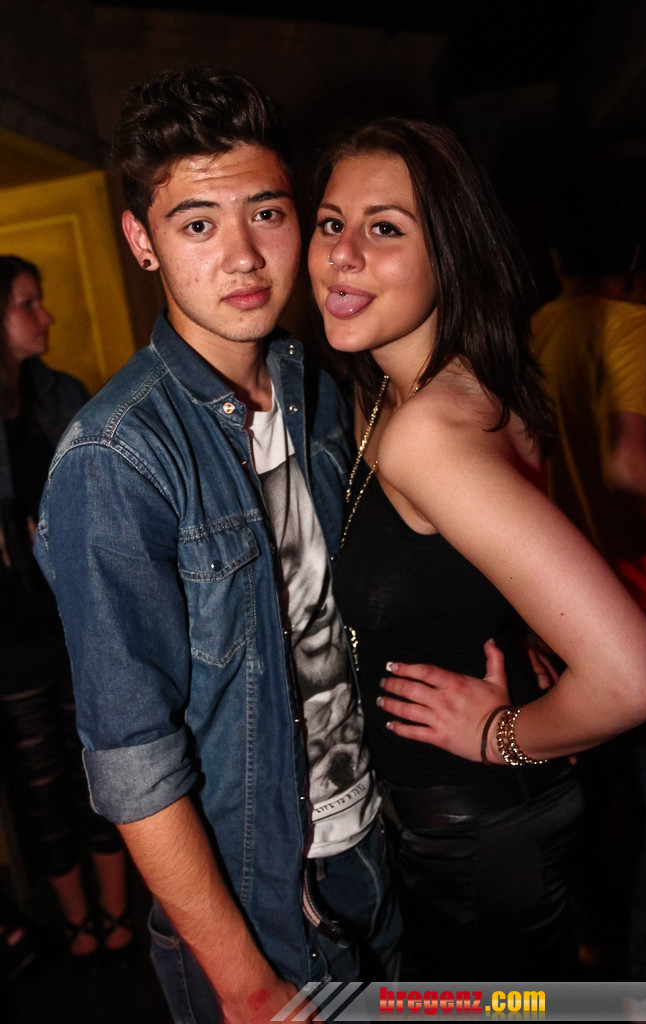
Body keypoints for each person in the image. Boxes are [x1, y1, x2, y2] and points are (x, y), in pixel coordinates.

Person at [34, 67, 402, 1024]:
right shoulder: (115, 457)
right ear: (141, 243)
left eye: (265, 214)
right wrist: (243, 982)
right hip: (259, 908)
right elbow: (133, 760)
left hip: (374, 846)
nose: (242, 256)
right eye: (197, 224)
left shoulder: (316, 389)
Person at [306, 119, 646, 980]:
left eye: (384, 228)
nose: (342, 254)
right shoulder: (434, 385)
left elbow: (636, 681)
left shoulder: (429, 433)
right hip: (478, 823)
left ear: (452, 253)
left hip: (476, 836)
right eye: (330, 222)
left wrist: (503, 734)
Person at [532, 178, 646, 980]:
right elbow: (630, 469)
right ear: (631, 254)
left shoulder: (530, 330)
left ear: (554, 256)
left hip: (557, 606)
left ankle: (597, 944)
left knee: (594, 800)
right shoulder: (632, 324)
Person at [0, 256, 134, 971]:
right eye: (27, 303)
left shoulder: (64, 395)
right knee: (41, 784)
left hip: (76, 617)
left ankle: (116, 909)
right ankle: (79, 920)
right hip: (10, 634)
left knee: (98, 768)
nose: (44, 315)